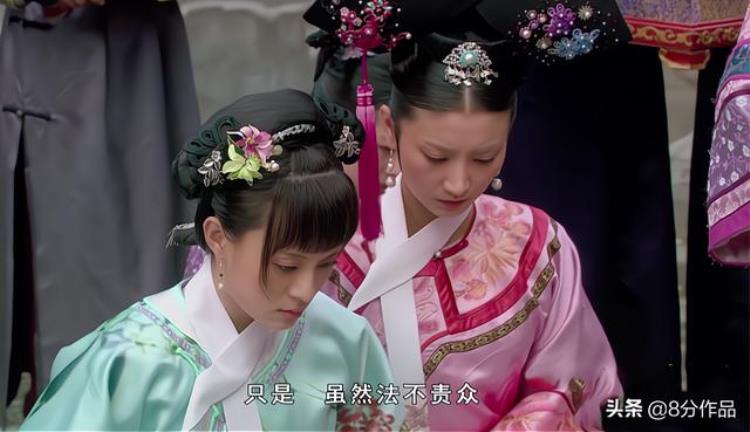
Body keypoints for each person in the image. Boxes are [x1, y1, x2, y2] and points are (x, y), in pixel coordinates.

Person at [305, 0, 627, 429]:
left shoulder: (537, 244)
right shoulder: (326, 243)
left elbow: (570, 389)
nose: (459, 183)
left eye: (484, 157)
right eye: (436, 156)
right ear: (388, 127)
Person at [19, 89, 403, 430]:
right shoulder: (125, 361)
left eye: (325, 264)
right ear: (218, 236)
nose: (305, 290)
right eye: (286, 266)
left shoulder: (344, 341)